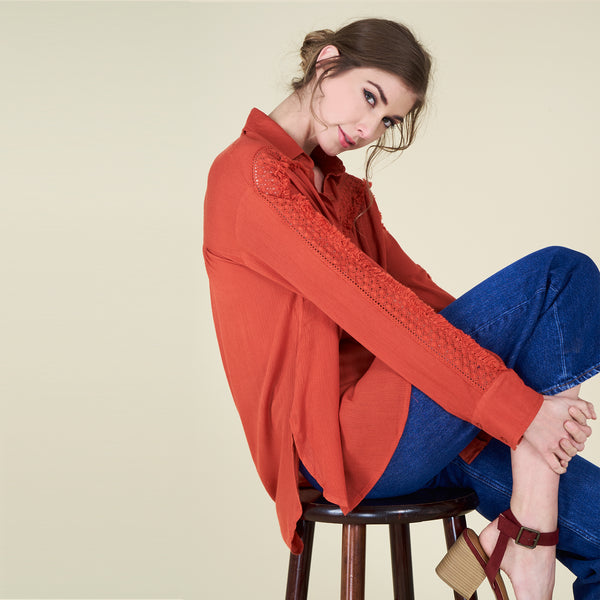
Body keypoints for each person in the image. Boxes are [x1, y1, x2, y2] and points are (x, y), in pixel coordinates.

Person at [203, 17, 600, 600]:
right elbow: (383, 314)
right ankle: (529, 536)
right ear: (326, 62)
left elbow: (423, 300)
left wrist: (521, 397)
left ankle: (522, 524)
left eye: (388, 119)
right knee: (560, 276)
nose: (369, 129)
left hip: (419, 425)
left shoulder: (343, 193)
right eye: (370, 97)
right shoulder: (251, 177)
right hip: (343, 447)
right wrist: (523, 411)